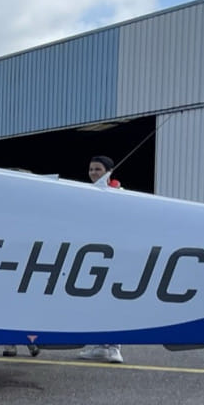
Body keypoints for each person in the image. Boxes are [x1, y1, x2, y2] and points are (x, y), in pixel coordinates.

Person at [78, 155, 125, 364]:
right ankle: (99, 345)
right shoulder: (88, 194)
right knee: (94, 301)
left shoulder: (120, 194)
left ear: (109, 171)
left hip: (115, 256)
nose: (93, 173)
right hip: (94, 256)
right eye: (91, 169)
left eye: (97, 169)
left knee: (112, 302)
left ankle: (114, 347)